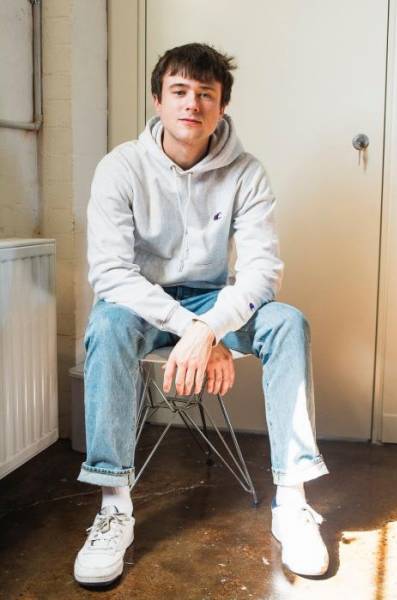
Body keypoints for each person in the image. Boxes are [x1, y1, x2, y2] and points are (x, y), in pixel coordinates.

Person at [74, 42, 329, 587]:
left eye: (205, 94)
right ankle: (114, 506)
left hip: (216, 301)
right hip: (144, 302)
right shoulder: (120, 167)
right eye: (180, 91)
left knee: (288, 322)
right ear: (158, 100)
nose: (192, 103)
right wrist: (192, 330)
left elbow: (262, 274)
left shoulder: (247, 173)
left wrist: (211, 326)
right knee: (106, 324)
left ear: (222, 106)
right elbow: (111, 274)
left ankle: (292, 500)